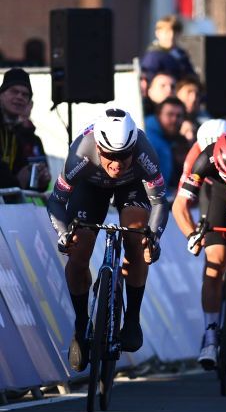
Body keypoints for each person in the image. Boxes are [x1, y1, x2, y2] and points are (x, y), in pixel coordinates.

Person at [47, 109, 168, 370]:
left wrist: (154, 238)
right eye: (110, 156)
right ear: (99, 148)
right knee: (78, 252)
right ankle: (81, 325)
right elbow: (57, 200)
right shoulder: (80, 154)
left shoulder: (145, 154)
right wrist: (63, 235)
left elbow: (159, 202)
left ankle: (132, 318)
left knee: (136, 240)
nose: (117, 163)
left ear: (133, 148)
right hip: (90, 185)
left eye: (124, 155)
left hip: (132, 185)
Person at [171, 130, 226, 368]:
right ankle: (211, 337)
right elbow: (180, 205)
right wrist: (192, 235)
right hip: (219, 195)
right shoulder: (204, 160)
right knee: (215, 260)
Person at [0, 68, 47, 191]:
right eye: (14, 91)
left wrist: (39, 179)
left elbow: (23, 175)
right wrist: (16, 182)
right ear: (1, 95)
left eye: (25, 94)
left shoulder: (15, 132)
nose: (19, 97)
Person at [145, 97, 188, 187]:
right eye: (170, 114)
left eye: (179, 116)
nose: (174, 120)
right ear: (158, 115)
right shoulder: (148, 139)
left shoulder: (170, 140)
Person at [139, 15, 197, 81]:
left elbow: (191, 77)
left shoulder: (181, 54)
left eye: (175, 32)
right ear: (158, 33)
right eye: (167, 32)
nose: (171, 36)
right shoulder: (153, 57)